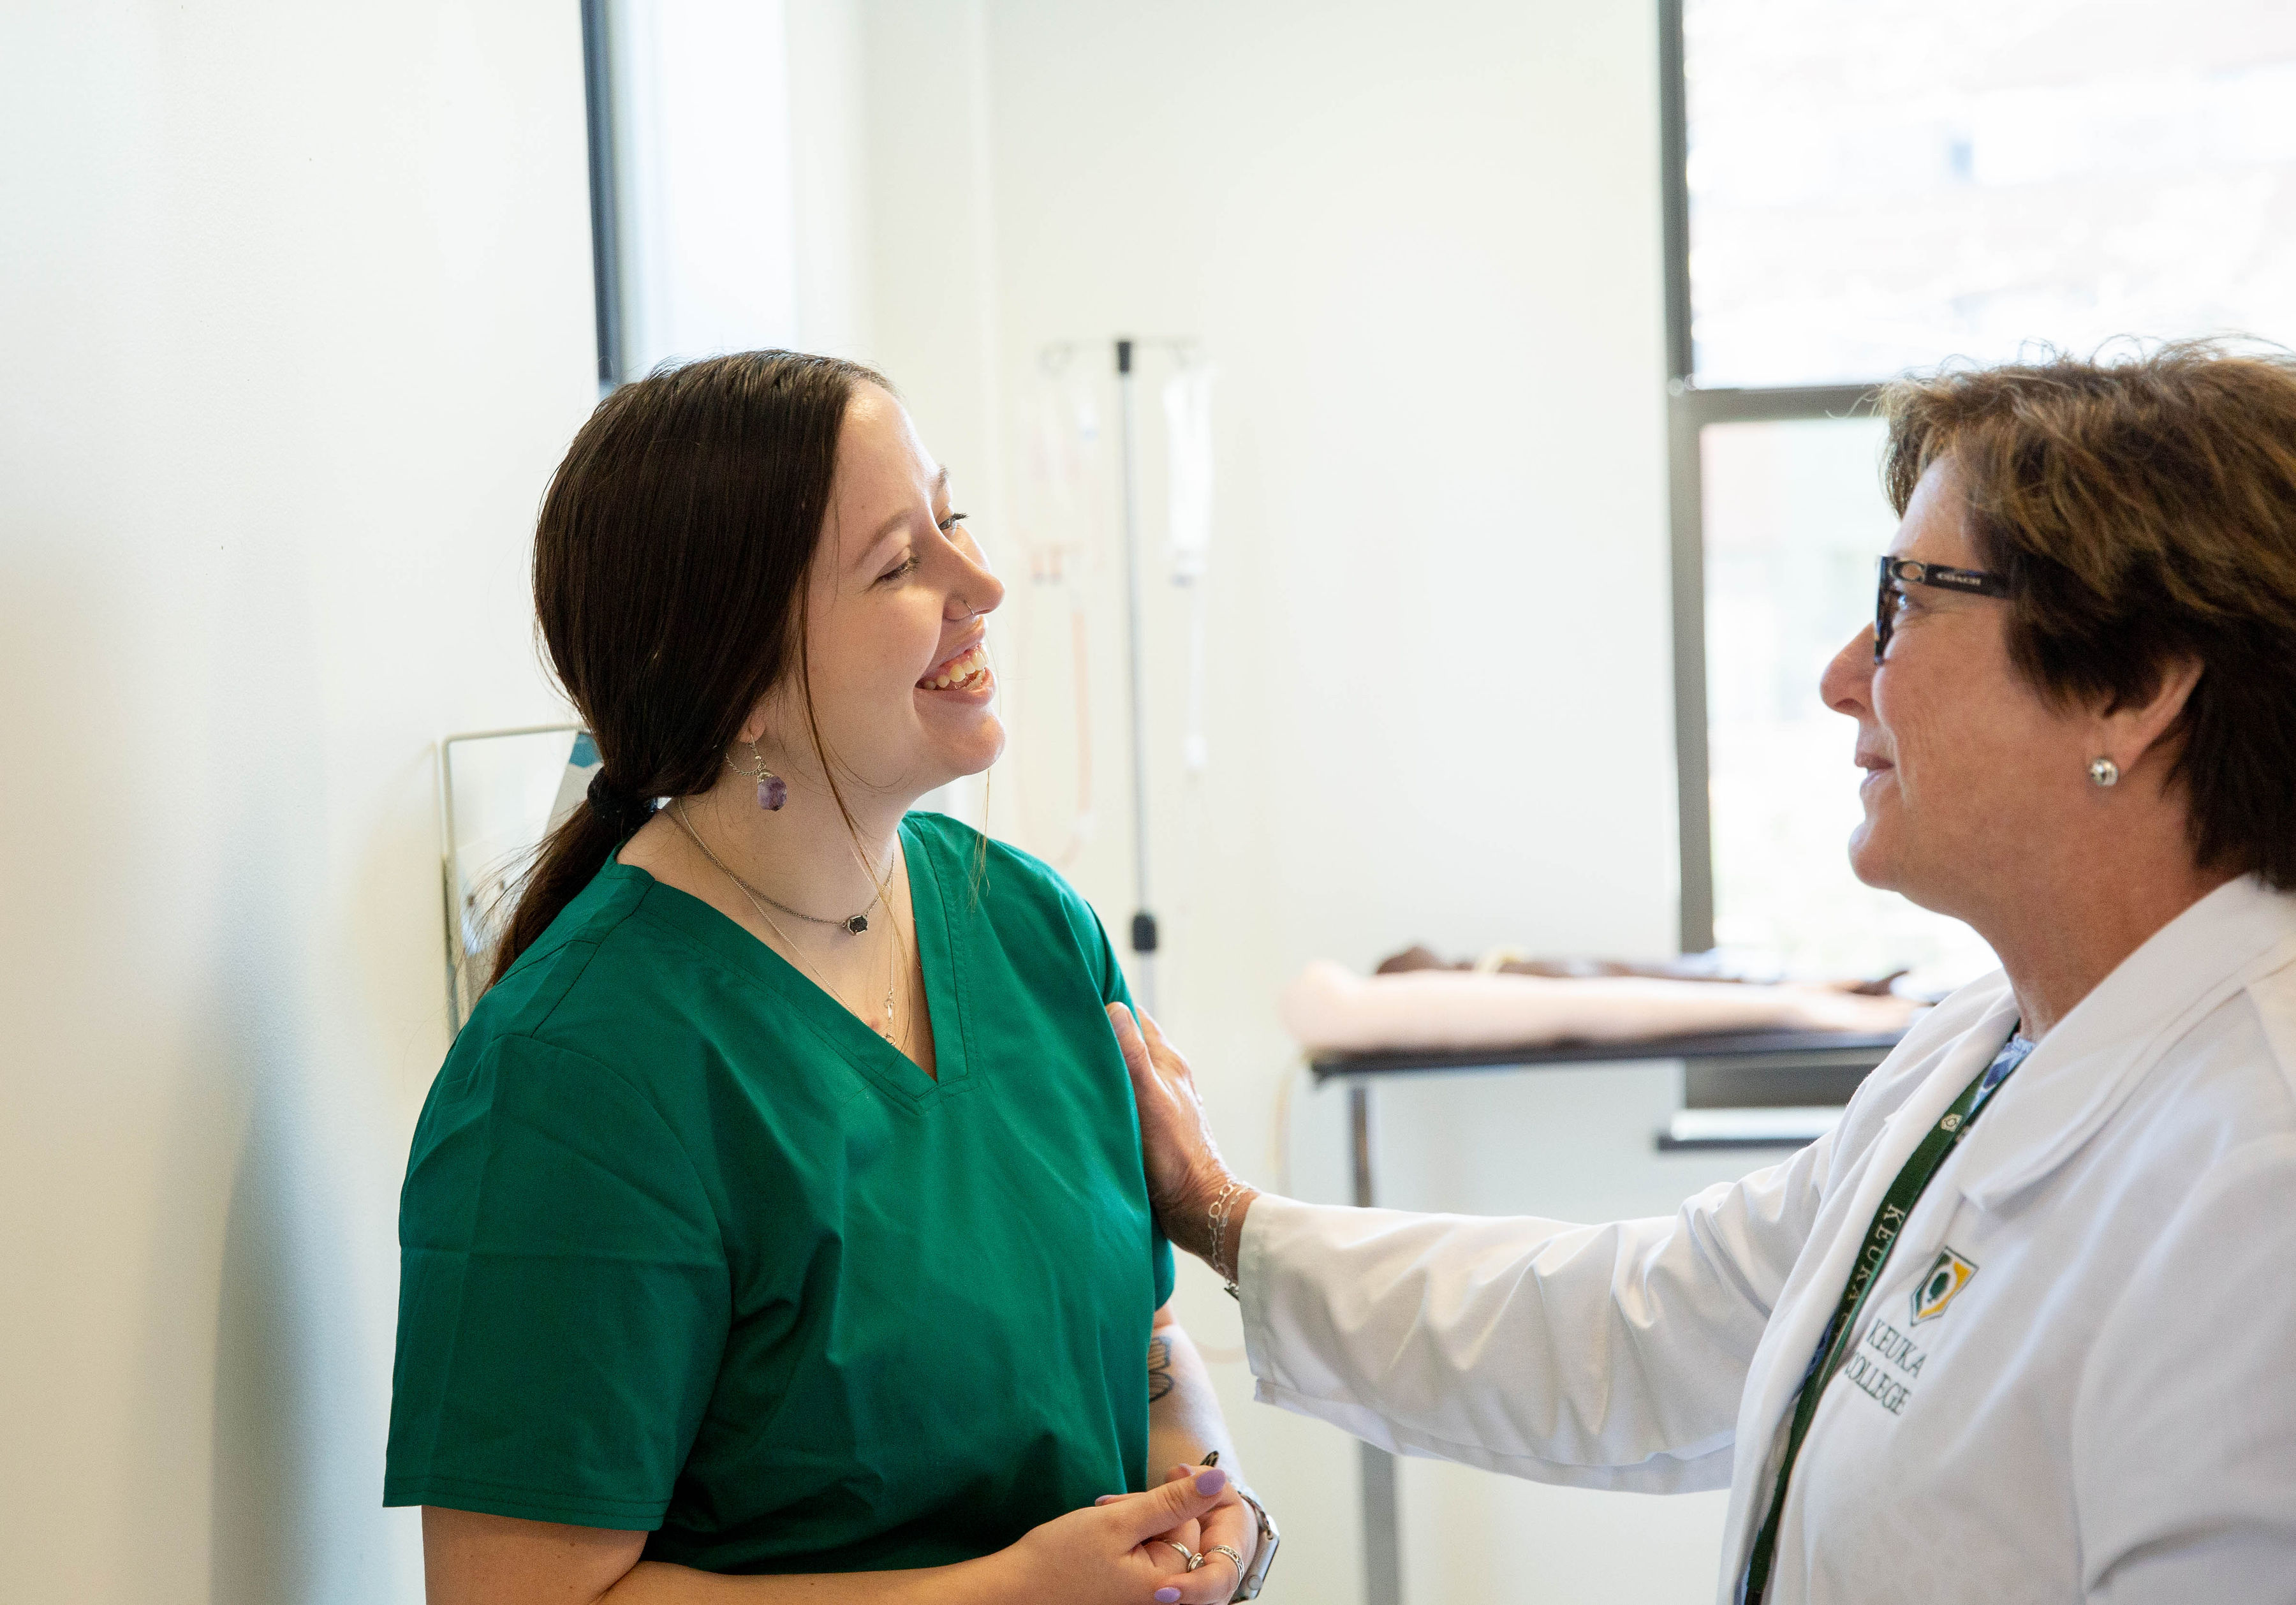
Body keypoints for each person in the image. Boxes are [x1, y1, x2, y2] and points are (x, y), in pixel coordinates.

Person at [1113, 343, 2296, 1604]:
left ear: (2133, 684)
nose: (1842, 676)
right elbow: (1646, 1326)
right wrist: (1223, 1217)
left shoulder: (2258, 1181)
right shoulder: (1982, 1053)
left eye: (1906, 601)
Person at [386, 351, 1267, 1604]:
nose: (984, 582)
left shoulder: (1030, 926)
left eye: (949, 517)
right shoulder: (576, 1079)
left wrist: (1209, 1505)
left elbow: (1134, 1335)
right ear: (737, 682)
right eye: (901, 564)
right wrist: (1006, 1595)